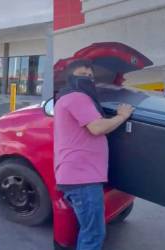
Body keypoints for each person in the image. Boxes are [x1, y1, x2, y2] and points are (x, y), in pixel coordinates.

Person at [54, 60, 134, 250]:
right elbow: (97, 128)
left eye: (90, 76)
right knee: (93, 234)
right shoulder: (77, 97)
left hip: (78, 175)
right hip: (82, 177)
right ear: (71, 78)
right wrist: (122, 116)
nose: (88, 79)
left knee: (89, 230)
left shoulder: (64, 99)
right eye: (83, 75)